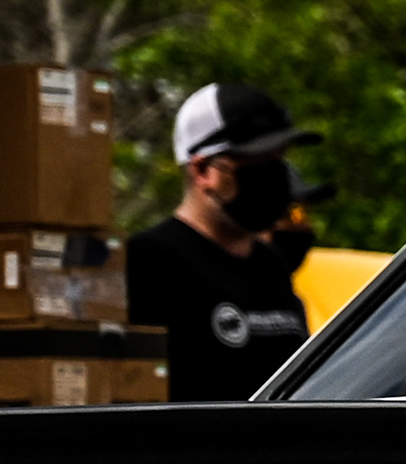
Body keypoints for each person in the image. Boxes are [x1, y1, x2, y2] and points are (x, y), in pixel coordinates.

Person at [129, 82, 320, 402]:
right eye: (256, 164)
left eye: (279, 159)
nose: (274, 179)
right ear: (203, 170)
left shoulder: (270, 266)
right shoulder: (149, 263)